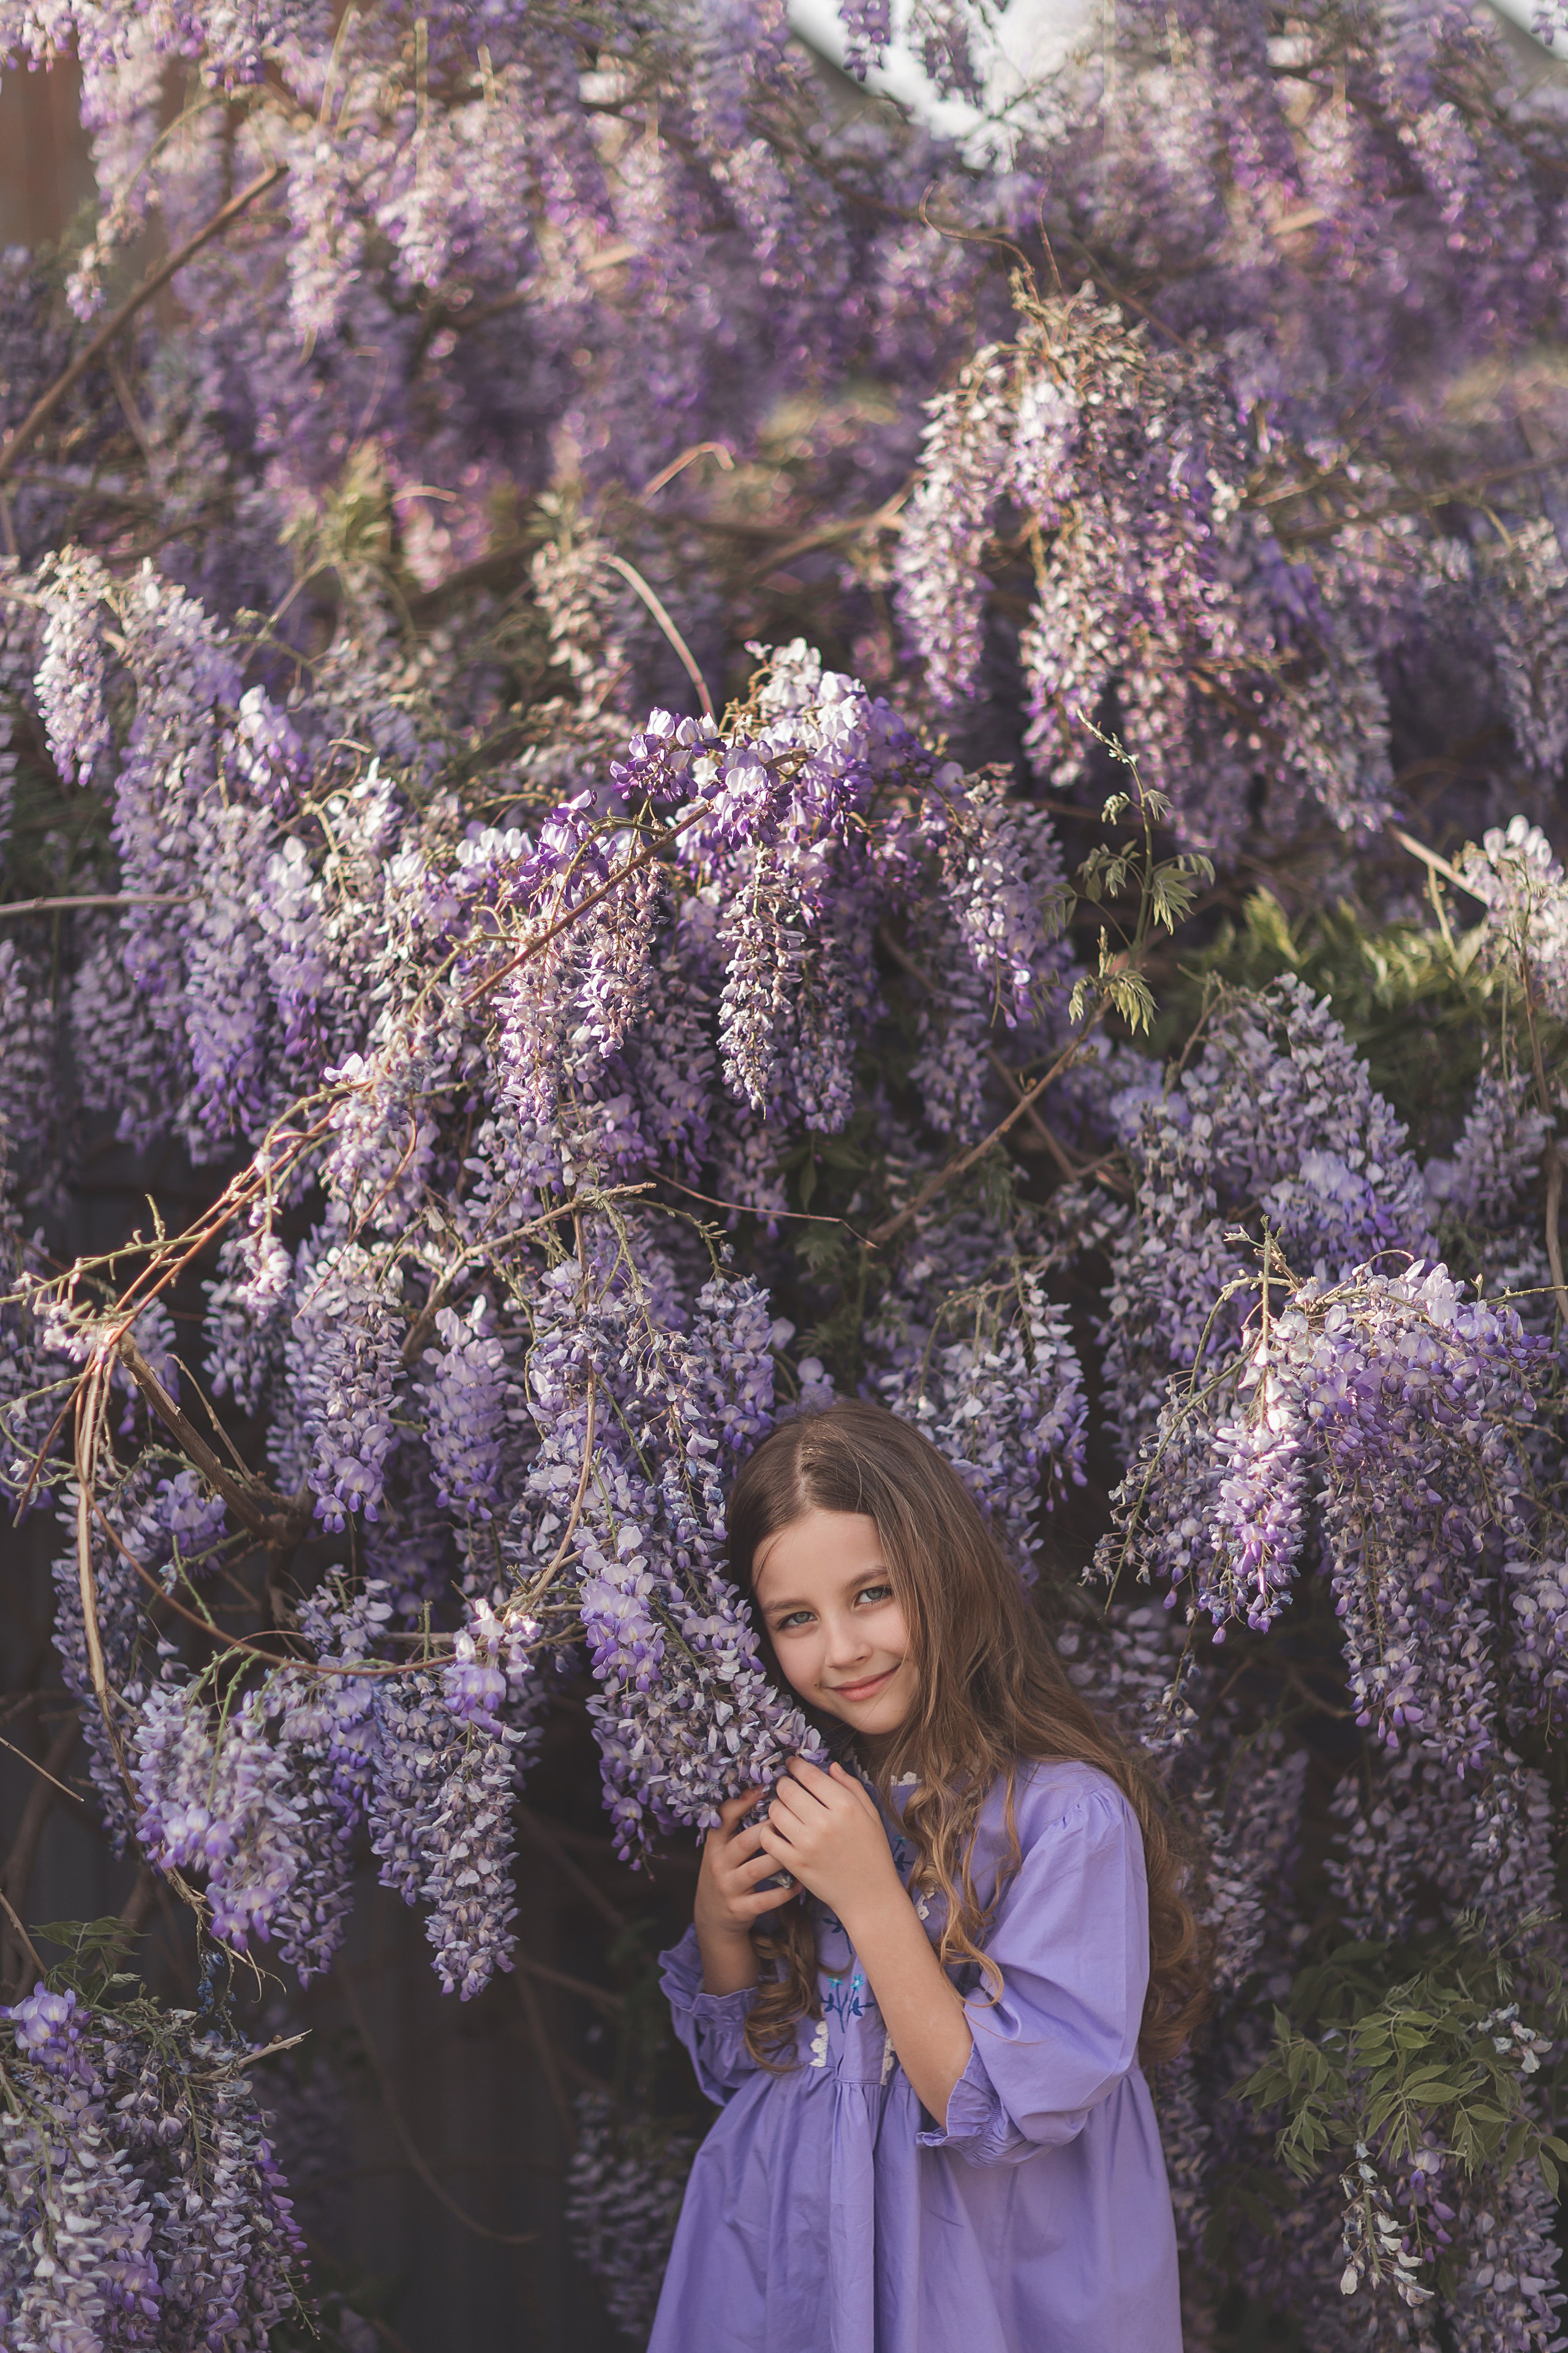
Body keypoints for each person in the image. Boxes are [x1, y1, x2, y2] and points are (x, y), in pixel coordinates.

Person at [646, 1398, 1206, 2353]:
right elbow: (754, 2070)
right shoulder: (812, 1794)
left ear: (942, 1572)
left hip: (976, 2289)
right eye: (795, 1618)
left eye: (873, 1593)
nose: (843, 1648)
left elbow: (994, 2114)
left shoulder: (1068, 1820)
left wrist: (869, 1896)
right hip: (788, 2269)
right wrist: (722, 1930)